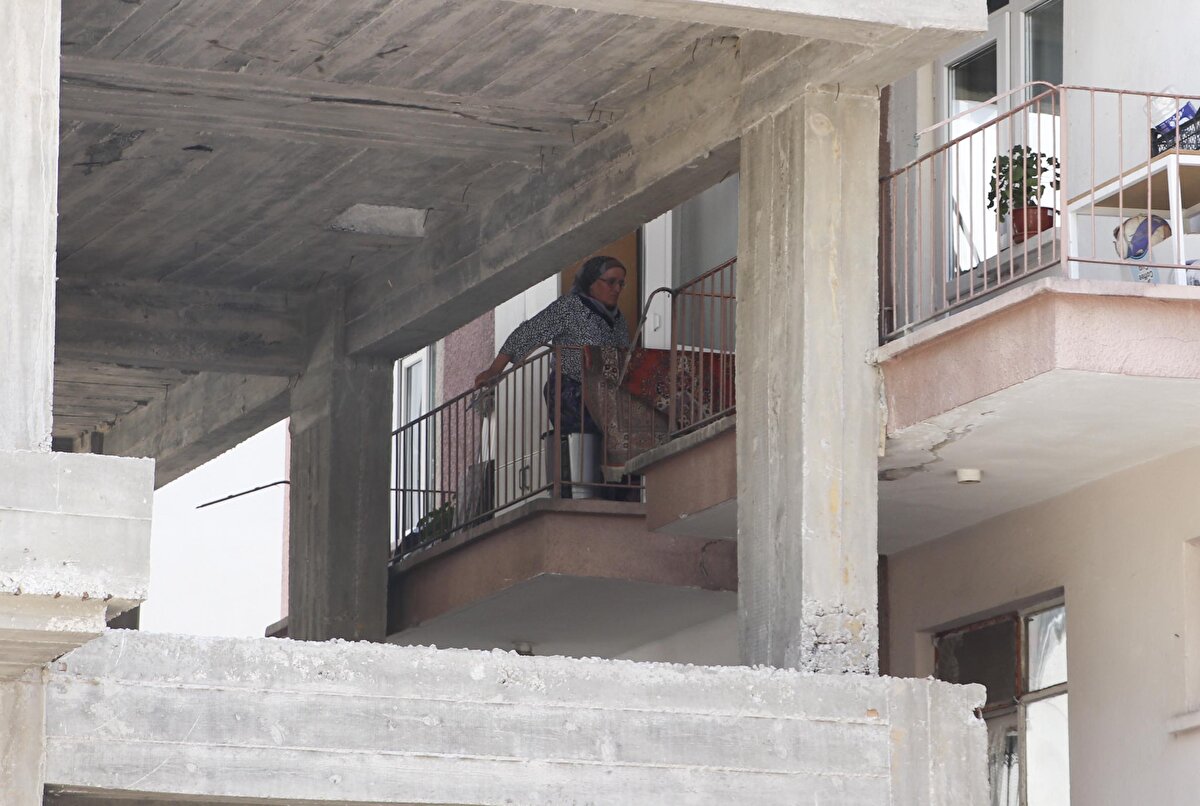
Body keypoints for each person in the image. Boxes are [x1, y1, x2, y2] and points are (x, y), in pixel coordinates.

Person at [473, 255, 631, 437]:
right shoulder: (570, 307)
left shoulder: (619, 320)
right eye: (611, 282)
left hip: (606, 394)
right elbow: (529, 333)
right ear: (591, 281)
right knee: (586, 442)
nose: (617, 289)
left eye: (621, 283)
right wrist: (495, 370)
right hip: (572, 391)